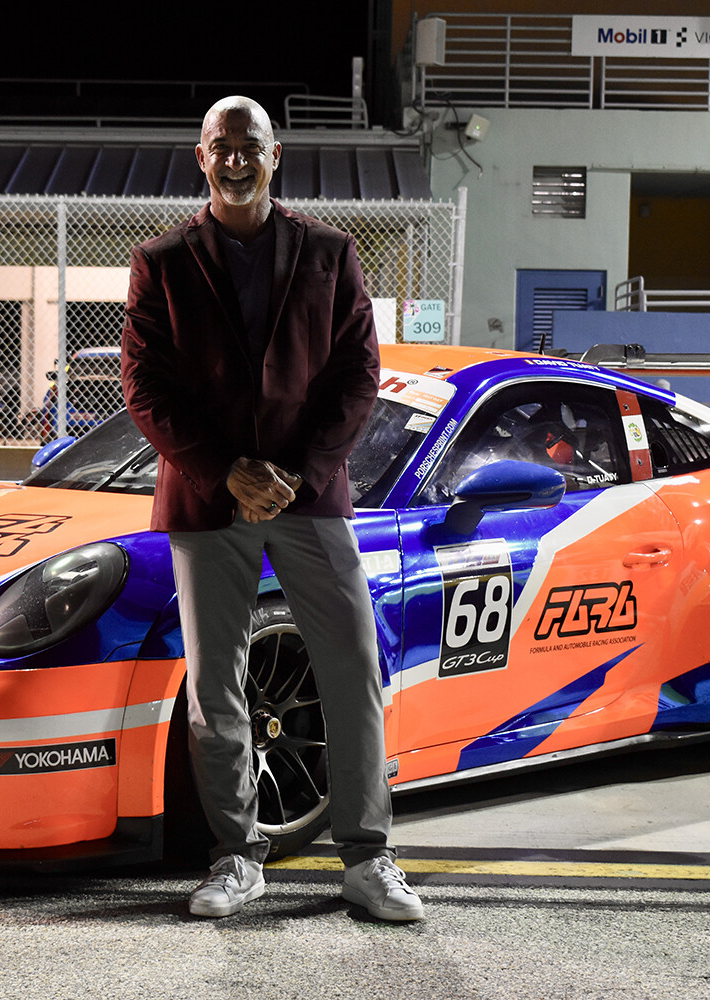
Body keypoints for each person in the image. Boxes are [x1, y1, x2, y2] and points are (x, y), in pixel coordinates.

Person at [120, 95, 424, 922]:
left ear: (274, 154)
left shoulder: (329, 252)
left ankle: (368, 857)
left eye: (249, 144)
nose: (235, 158)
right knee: (215, 686)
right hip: (207, 500)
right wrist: (227, 473)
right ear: (201, 157)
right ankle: (237, 857)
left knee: (352, 668)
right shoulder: (160, 262)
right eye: (221, 145)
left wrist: (296, 471)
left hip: (309, 495)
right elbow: (145, 388)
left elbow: (358, 375)